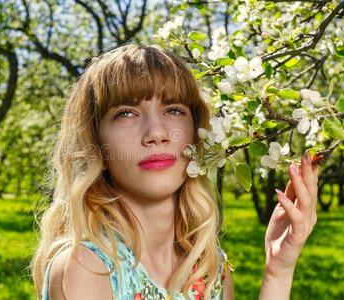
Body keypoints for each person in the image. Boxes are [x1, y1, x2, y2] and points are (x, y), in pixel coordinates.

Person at [31, 43, 319, 300]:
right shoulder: (87, 269)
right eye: (126, 113)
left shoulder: (208, 267)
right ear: (98, 147)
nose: (156, 133)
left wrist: (278, 270)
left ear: (195, 134)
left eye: (173, 110)